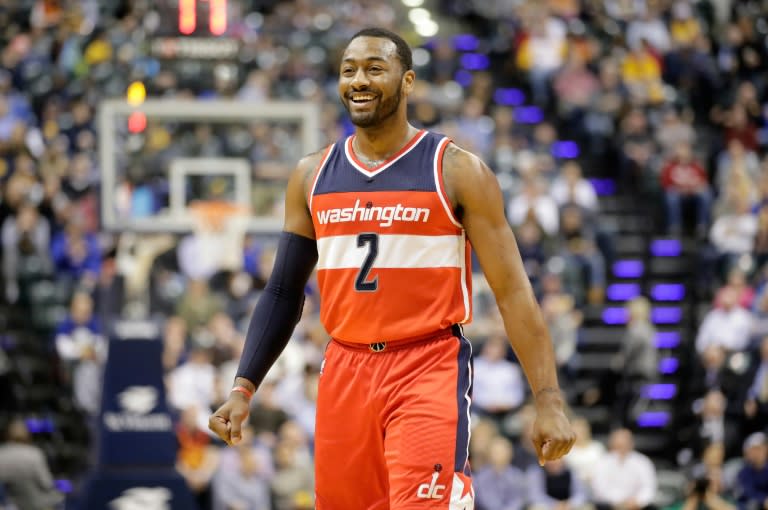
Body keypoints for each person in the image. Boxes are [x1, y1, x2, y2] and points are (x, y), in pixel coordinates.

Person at [209, 27, 575, 508]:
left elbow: (513, 293)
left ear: (407, 82)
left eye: (374, 68)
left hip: (427, 365)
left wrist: (547, 397)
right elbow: (282, 292)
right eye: (348, 70)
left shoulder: (457, 170)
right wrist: (243, 386)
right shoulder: (310, 175)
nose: (358, 80)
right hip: (344, 368)